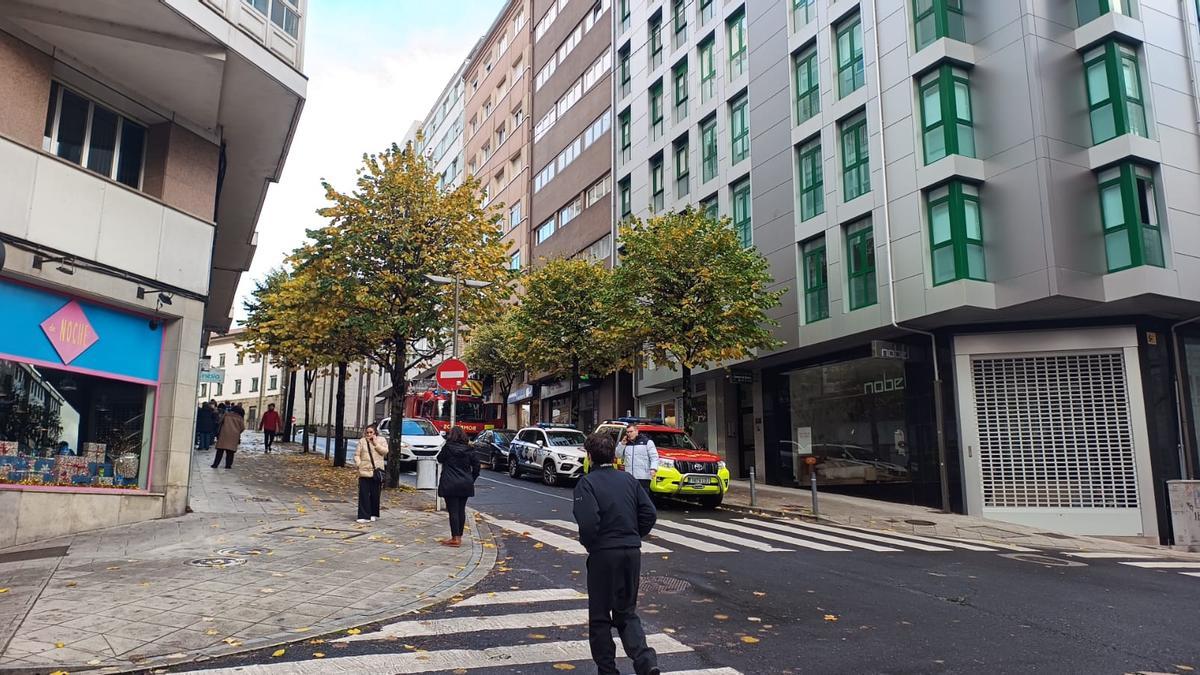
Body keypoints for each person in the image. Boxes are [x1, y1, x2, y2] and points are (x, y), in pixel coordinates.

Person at [573, 433, 660, 675]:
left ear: (589, 457)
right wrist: (634, 535)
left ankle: (607, 669)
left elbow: (588, 523)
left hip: (603, 554)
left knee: (600, 615)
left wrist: (592, 544)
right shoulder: (629, 480)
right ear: (613, 455)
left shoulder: (587, 483)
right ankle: (645, 660)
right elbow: (649, 513)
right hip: (631, 552)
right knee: (626, 612)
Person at [437, 426, 480, 547]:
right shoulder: (469, 449)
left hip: (450, 482)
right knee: (461, 510)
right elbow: (477, 466)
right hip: (465, 483)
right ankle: (459, 536)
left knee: (453, 511)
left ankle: (455, 538)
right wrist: (471, 478)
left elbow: (439, 459)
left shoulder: (448, 448)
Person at [355, 424, 388, 523]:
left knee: (375, 494)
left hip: (376, 471)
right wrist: (359, 464)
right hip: (364, 470)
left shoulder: (381, 440)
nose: (369, 434)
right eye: (367, 432)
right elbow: (357, 455)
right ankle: (364, 515)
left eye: (371, 432)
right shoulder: (362, 441)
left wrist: (375, 444)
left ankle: (373, 513)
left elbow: (385, 452)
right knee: (364, 494)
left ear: (375, 433)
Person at [617, 425, 659, 496]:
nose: (629, 434)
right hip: (629, 477)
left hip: (643, 477)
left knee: (643, 498)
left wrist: (653, 469)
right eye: (627, 432)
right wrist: (622, 444)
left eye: (631, 431)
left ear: (637, 431)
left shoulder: (647, 442)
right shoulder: (626, 444)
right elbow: (618, 455)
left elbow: (654, 457)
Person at [211, 404, 245, 469]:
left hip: (224, 434)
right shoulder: (240, 418)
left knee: (220, 451)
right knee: (230, 452)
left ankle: (215, 464)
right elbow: (242, 428)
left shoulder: (226, 415)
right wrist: (237, 432)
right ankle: (228, 465)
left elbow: (220, 421)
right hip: (234, 436)